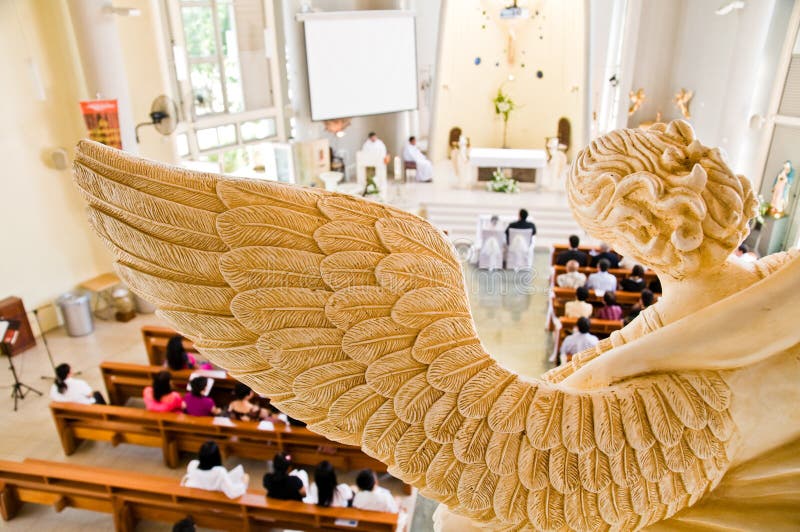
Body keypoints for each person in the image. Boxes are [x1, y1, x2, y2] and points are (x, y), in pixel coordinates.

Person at [181, 441, 249, 499]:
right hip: (214, 503)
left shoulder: (192, 464)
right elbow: (232, 493)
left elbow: (188, 477)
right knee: (243, 476)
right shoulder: (219, 472)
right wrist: (244, 483)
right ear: (217, 456)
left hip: (198, 497)